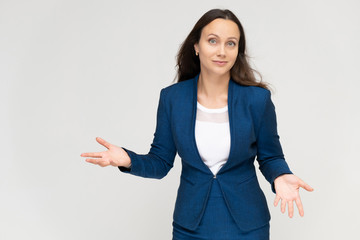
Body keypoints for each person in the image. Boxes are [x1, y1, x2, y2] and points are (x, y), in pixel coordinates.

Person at [80, 8, 314, 240]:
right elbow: (161, 162)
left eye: (231, 43)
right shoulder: (172, 98)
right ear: (196, 46)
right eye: (213, 41)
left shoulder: (257, 100)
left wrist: (280, 175)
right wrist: (128, 160)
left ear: (237, 51)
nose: (222, 51)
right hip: (190, 226)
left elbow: (271, 157)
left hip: (248, 224)